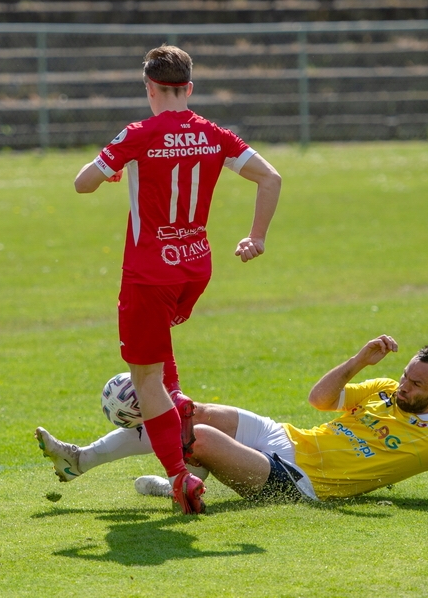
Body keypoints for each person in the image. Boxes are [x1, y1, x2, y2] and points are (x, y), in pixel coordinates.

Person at [70, 44, 281, 514]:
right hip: (194, 267)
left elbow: (82, 182)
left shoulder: (139, 133)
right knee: (160, 358)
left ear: (149, 88)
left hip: (149, 272)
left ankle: (179, 477)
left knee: (145, 379)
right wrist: (256, 238)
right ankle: (182, 417)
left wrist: (109, 169)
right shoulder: (213, 133)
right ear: (188, 88)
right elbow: (271, 178)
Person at [36, 335, 428, 505]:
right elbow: (319, 399)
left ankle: (179, 481)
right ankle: (78, 460)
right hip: (286, 438)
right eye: (405, 377)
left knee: (195, 436)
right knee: (189, 413)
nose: (405, 386)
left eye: (417, 385)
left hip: (300, 482)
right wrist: (359, 361)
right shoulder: (380, 391)